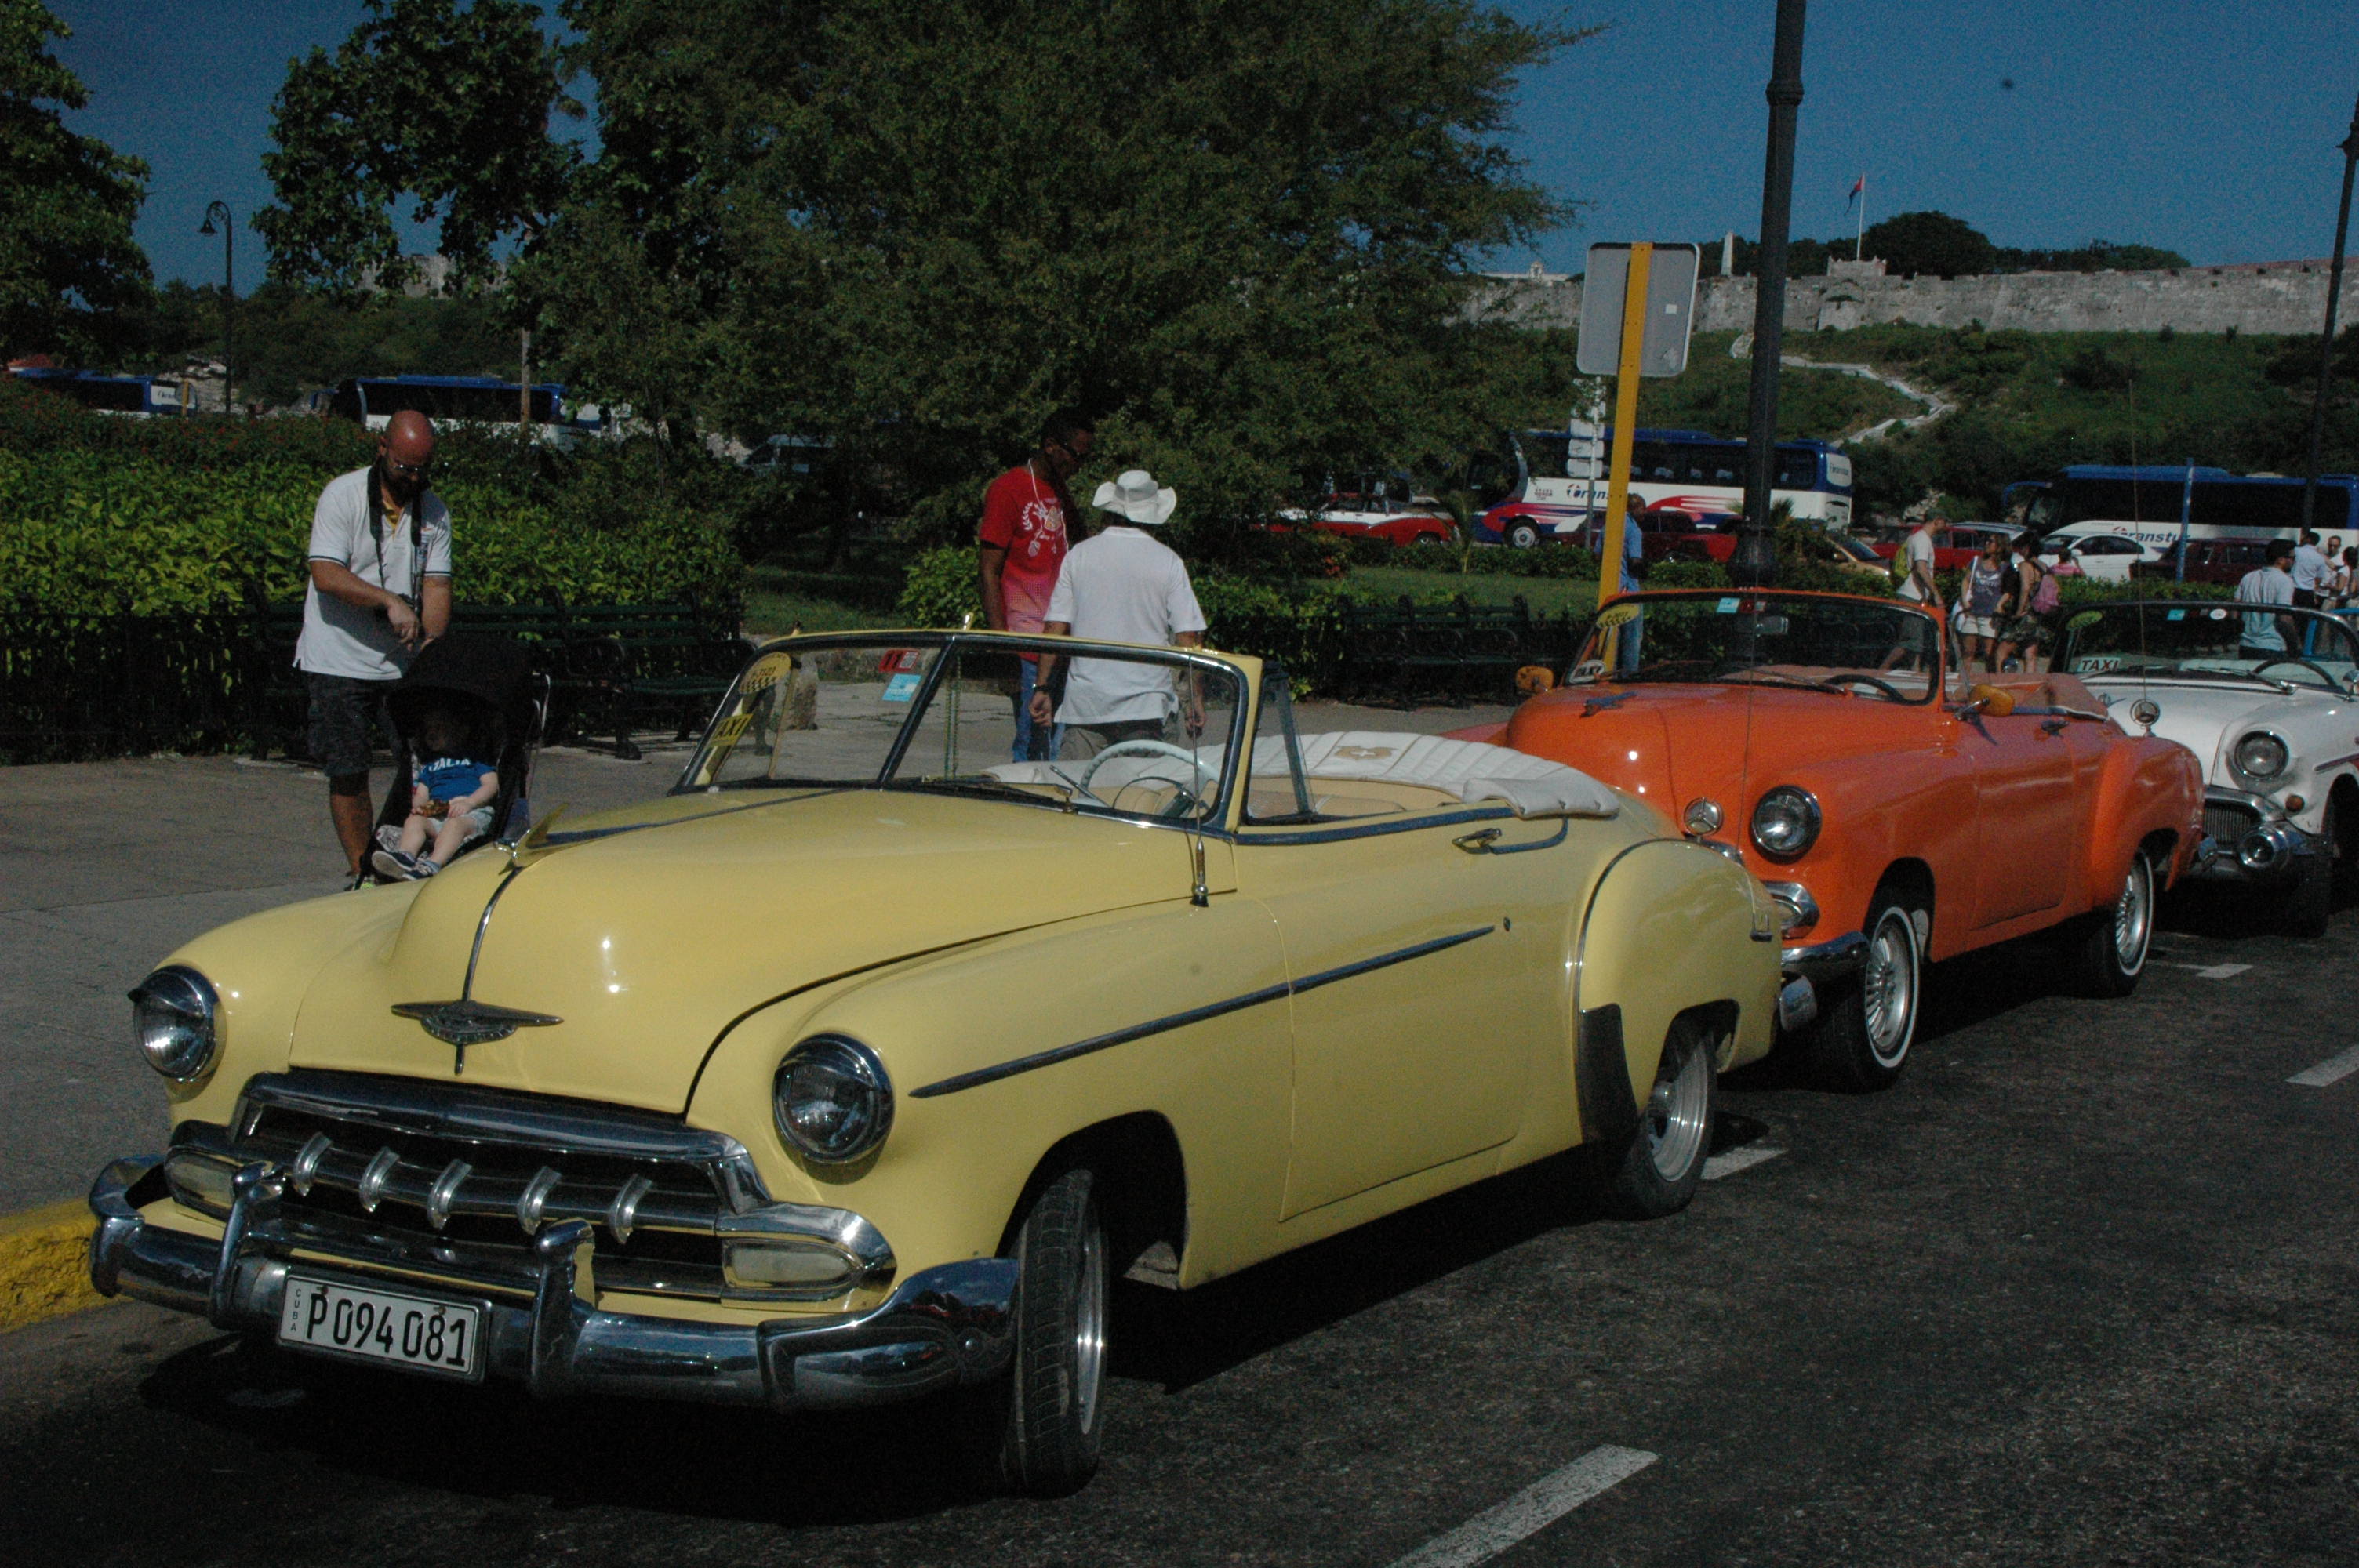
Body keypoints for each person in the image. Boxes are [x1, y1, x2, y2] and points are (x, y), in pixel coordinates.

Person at [296, 410, 452, 884]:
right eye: (404, 468)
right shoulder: (342, 495)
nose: (413, 479)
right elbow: (326, 574)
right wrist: (388, 601)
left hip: (398, 663)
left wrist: (430, 646)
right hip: (337, 656)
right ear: (381, 448)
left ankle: (412, 855)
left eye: (423, 469)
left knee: (428, 767)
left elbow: (437, 586)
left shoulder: (434, 511)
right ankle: (360, 868)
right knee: (348, 769)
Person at [1029, 469, 1208, 760]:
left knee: (1078, 788)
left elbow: (1055, 628)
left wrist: (1043, 687)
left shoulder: (1079, 555)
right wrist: (1195, 699)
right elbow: (1188, 637)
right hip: (1147, 706)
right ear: (1152, 514)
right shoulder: (1168, 561)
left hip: (1086, 704)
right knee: (1143, 787)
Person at [979, 410, 1093, 760]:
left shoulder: (1060, 492)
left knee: (1059, 747)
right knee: (1032, 745)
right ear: (1050, 446)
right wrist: (1002, 646)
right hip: (1026, 643)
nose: (1080, 465)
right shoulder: (1007, 490)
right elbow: (988, 571)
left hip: (1061, 641)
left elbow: (1082, 547)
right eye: (1076, 455)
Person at [370, 700, 497, 880]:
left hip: (471, 813)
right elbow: (422, 793)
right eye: (429, 729)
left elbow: (491, 785)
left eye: (439, 728)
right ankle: (405, 857)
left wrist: (470, 802)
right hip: (439, 810)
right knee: (414, 821)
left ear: (461, 731)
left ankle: (433, 864)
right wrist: (420, 808)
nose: (431, 733)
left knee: (454, 825)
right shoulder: (430, 766)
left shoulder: (475, 759)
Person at [1993, 532, 2052, 672]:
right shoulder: (2043, 566)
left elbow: (2025, 588)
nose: (2018, 551)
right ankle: (2030, 682)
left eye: (2020, 547)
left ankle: (1999, 681)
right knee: (2030, 654)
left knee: (2000, 653)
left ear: (2027, 547)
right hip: (2037, 615)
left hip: (2025, 615)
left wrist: (2018, 612)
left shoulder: (2026, 565)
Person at [2235, 538, 2300, 657]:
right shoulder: (2284, 581)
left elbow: (2235, 609)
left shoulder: (2248, 577)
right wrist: (2295, 644)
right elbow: (2284, 618)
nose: (2294, 561)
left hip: (2246, 645)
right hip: (2272, 645)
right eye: (2292, 558)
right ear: (2281, 559)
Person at [1954, 535, 2008, 672]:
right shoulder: (1977, 562)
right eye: (1986, 541)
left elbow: (2009, 590)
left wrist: (2000, 604)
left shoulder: (2004, 567)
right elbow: (1966, 580)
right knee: (1968, 650)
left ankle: (1989, 680)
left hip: (1990, 615)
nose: (1987, 544)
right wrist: (1965, 601)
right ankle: (1965, 678)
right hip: (1971, 612)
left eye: (1991, 541)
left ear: (1999, 546)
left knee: (1989, 653)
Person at [2291, 530, 2330, 609]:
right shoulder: (2320, 558)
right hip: (2308, 593)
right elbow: (2319, 579)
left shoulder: (2296, 551)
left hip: (2293, 589)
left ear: (2308, 539)